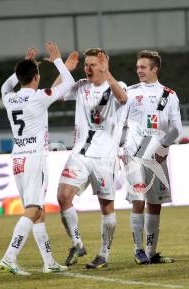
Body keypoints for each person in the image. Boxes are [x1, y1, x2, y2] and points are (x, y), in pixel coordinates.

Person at [0, 42, 75, 275]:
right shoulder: (39, 97)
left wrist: (24, 66)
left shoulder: (9, 98)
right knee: (33, 208)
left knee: (37, 210)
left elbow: (5, 86)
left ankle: (49, 261)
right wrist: (59, 61)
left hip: (18, 159)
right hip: (34, 158)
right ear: (36, 77)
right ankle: (10, 256)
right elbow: (69, 83)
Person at [57, 48, 128, 269]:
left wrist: (108, 73)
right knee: (63, 197)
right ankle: (77, 243)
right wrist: (64, 68)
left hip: (104, 158)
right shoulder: (80, 86)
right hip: (80, 153)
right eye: (86, 64)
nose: (88, 68)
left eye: (93, 64)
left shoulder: (118, 85)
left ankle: (103, 255)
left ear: (103, 65)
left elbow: (123, 99)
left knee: (106, 207)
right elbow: (55, 93)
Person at [122, 50, 182, 264]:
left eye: (143, 67)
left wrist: (162, 146)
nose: (139, 70)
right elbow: (118, 123)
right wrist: (120, 148)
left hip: (156, 155)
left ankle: (150, 252)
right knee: (138, 200)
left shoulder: (169, 95)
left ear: (154, 69)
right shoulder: (129, 92)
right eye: (138, 67)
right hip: (133, 155)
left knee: (155, 204)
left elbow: (177, 128)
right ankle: (138, 250)